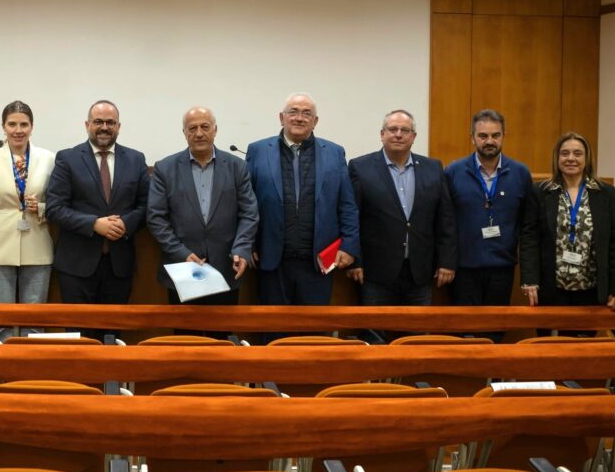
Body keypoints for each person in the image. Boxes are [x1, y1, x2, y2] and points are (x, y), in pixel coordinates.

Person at [246, 93, 359, 311]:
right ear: (281, 118)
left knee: (313, 327)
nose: (299, 118)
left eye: (307, 113)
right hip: (271, 259)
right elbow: (246, 203)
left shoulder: (334, 153)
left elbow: (347, 205)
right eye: (293, 112)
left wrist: (349, 246)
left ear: (315, 121)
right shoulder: (257, 151)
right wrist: (247, 244)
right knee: (273, 326)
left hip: (318, 261)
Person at [45, 100, 150, 327]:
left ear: (118, 126)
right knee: (79, 335)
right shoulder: (67, 159)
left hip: (119, 265)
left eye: (110, 122)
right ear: (87, 125)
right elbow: (54, 208)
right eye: (98, 122)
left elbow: (147, 205)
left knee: (112, 332)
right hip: (76, 266)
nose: (104, 127)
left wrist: (126, 224)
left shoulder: (136, 159)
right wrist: (93, 224)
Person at [147, 107, 259, 309]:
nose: (199, 133)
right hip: (182, 268)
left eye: (205, 127)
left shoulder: (237, 167)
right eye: (192, 128)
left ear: (215, 130)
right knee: (184, 330)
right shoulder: (165, 168)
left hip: (227, 267)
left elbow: (249, 214)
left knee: (223, 329)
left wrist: (241, 249)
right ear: (184, 132)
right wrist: (180, 252)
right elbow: (156, 218)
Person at [347, 110, 456, 311]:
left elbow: (445, 219)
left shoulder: (433, 168)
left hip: (420, 272)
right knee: (375, 328)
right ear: (382, 134)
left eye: (405, 130)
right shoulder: (360, 167)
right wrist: (355, 261)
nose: (398, 134)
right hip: (375, 272)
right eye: (392, 129)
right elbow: (352, 218)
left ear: (413, 136)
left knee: (416, 329)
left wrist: (447, 261)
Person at [520, 132, 615, 325]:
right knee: (550, 341)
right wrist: (530, 279)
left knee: (584, 341)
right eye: (565, 153)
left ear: (587, 158)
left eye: (577, 153)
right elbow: (530, 239)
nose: (571, 158)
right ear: (557, 157)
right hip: (551, 288)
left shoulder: (605, 193)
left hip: (591, 289)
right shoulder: (541, 192)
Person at [445, 109, 532, 341]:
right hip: (463, 268)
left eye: (495, 135)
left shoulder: (520, 173)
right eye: (483, 136)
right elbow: (445, 222)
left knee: (495, 331)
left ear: (503, 136)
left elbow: (527, 224)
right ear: (472, 138)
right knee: (464, 333)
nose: (489, 141)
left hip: (502, 267)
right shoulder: (454, 172)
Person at [0, 101, 55, 342]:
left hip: (37, 246)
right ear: (3, 126)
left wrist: (41, 208)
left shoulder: (49, 158)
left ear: (32, 127)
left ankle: (31, 365)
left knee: (34, 321)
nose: (18, 130)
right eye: (12, 124)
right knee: (0, 320)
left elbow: (59, 205)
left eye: (24, 124)